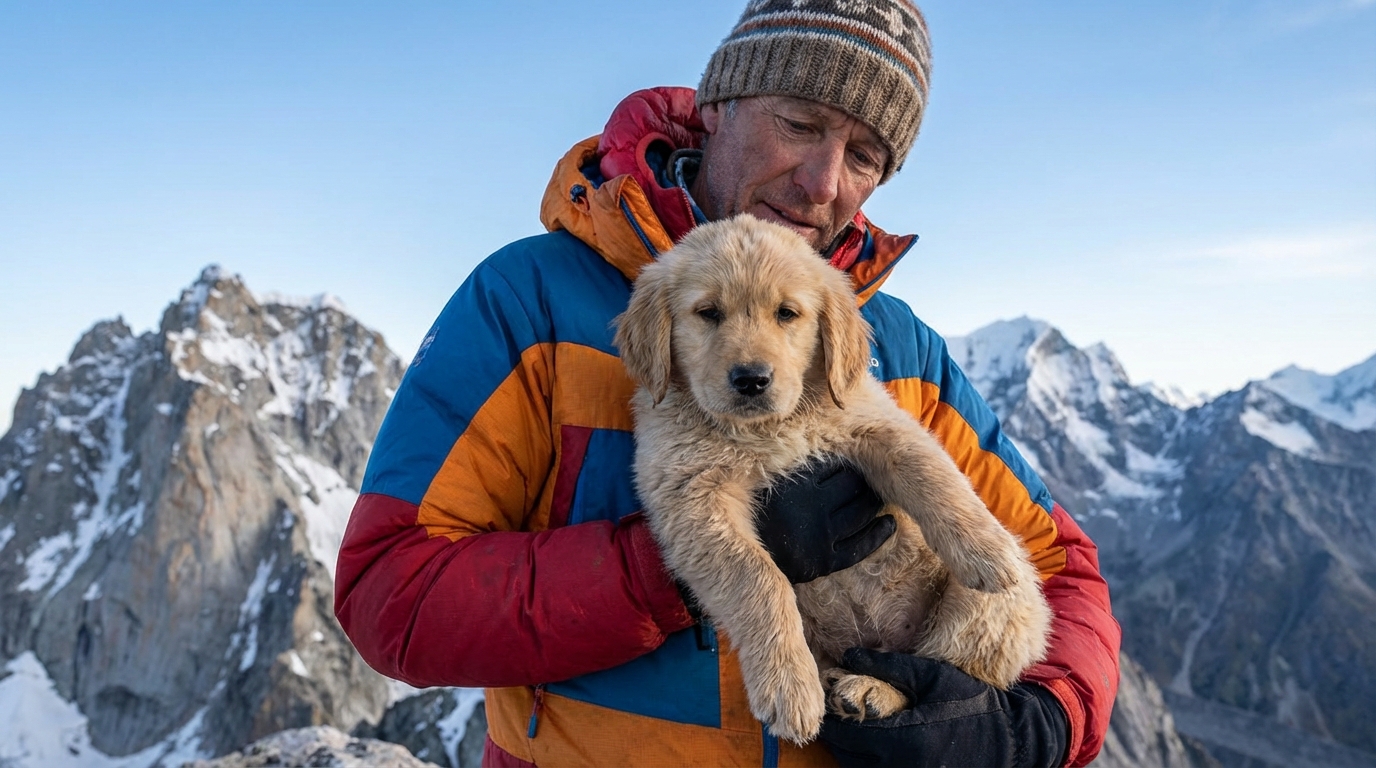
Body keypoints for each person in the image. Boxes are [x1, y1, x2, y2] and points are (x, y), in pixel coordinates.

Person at [335, 1, 1120, 766]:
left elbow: (1057, 570)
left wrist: (1038, 726)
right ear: (719, 105)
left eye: (865, 156)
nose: (821, 182)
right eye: (801, 123)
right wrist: (669, 572)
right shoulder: (529, 302)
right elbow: (389, 596)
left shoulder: (898, 341)